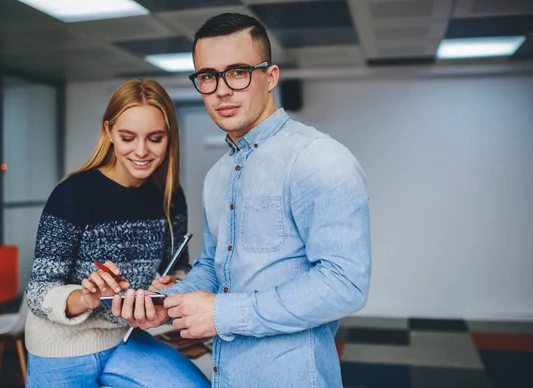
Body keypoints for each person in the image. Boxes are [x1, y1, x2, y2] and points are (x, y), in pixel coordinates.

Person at [119, 13, 372, 388]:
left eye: (237, 72)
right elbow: (212, 266)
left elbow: (345, 284)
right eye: (207, 76)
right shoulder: (218, 176)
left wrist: (223, 314)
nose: (221, 90)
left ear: (270, 77)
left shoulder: (318, 159)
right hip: (229, 376)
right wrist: (165, 305)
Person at [24, 79, 210, 387]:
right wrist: (85, 298)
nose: (141, 151)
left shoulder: (170, 195)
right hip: (60, 346)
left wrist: (171, 285)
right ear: (109, 131)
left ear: (169, 137)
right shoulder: (73, 193)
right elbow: (38, 292)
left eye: (155, 138)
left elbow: (179, 266)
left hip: (124, 339)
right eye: (127, 137)